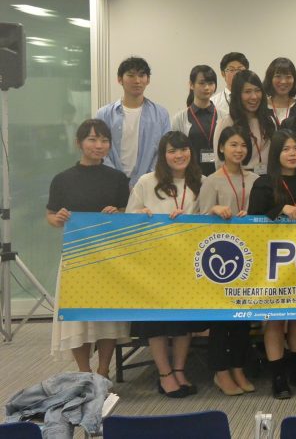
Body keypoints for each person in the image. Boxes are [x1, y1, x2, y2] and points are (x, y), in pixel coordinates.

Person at [47, 119, 131, 377]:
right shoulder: (62, 179)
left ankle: (104, 371)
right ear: (79, 143)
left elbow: (127, 214)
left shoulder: (118, 178)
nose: (99, 145)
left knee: (107, 316)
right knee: (78, 318)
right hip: (76, 257)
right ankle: (84, 373)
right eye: (92, 139)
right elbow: (51, 216)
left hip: (109, 257)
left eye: (104, 140)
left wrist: (117, 213)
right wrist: (58, 218)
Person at [126, 131, 203, 398]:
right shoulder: (147, 182)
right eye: (172, 151)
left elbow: (207, 219)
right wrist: (141, 214)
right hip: (154, 264)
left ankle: (179, 369)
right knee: (156, 322)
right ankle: (164, 373)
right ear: (163, 155)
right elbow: (129, 218)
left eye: (183, 149)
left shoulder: (200, 182)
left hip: (187, 263)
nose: (179, 155)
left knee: (183, 322)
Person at [248, 129, 296, 399]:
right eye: (286, 149)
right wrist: (280, 210)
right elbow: (253, 220)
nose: (292, 154)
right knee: (276, 319)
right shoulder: (264, 183)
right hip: (274, 263)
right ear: (276, 154)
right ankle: (278, 376)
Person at [198, 126, 258, 396]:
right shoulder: (211, 181)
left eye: (243, 145)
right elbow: (199, 221)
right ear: (221, 148)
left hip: (250, 258)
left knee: (243, 319)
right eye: (233, 144)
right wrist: (213, 210)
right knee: (221, 320)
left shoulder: (255, 179)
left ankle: (238, 367)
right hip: (221, 259)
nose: (239, 150)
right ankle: (220, 372)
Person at [95, 56, 171, 188]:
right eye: (131, 75)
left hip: (149, 184)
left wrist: (145, 180)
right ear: (120, 79)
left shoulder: (161, 114)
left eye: (142, 75)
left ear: (148, 80)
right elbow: (100, 150)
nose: (137, 81)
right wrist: (115, 179)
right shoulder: (104, 114)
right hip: (110, 183)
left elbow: (163, 151)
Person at [214, 70, 276, 175]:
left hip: (267, 178)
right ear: (237, 95)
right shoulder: (227, 123)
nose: (254, 97)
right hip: (239, 179)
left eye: (257, 90)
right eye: (247, 92)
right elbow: (220, 162)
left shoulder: (269, 121)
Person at [170, 64, 219, 176]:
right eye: (202, 83)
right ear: (191, 85)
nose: (207, 87)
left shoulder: (224, 116)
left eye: (211, 83)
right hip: (190, 175)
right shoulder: (179, 118)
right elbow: (175, 150)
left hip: (219, 175)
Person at [263, 57, 296, 128]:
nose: (283, 81)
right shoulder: (262, 106)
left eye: (288, 77)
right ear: (270, 79)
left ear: (294, 79)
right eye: (278, 76)